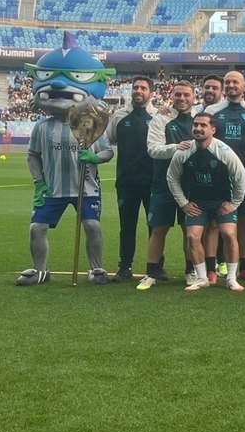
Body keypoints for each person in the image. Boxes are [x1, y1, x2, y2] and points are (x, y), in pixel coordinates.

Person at [20, 103, 113, 286]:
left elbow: (108, 151)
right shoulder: (42, 126)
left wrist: (95, 158)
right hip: (52, 189)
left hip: (87, 188)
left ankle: (96, 269)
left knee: (92, 226)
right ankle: (40, 271)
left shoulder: (90, 122)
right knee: (36, 228)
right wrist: (38, 182)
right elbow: (33, 155)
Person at [166, 113, 245, 293]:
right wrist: (184, 203)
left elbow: (241, 177)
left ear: (213, 130)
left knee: (228, 233)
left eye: (203, 125)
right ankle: (202, 278)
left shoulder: (224, 151)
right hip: (198, 203)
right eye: (195, 125)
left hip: (221, 202)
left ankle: (231, 278)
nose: (198, 128)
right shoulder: (184, 150)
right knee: (192, 236)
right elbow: (172, 178)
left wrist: (233, 204)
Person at [138, 81, 197, 289]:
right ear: (172, 96)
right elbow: (153, 149)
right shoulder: (161, 118)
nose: (182, 99)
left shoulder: (199, 118)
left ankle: (190, 271)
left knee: (188, 229)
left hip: (190, 185)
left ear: (193, 97)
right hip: (162, 183)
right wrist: (176, 148)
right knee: (158, 229)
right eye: (178, 95)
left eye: (186, 95)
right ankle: (151, 273)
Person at [205, 70, 245, 283]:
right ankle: (212, 269)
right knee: (213, 222)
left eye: (235, 82)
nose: (230, 85)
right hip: (217, 176)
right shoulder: (212, 110)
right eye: (227, 82)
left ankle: (244, 268)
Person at [107, 75, 155, 282]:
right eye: (136, 87)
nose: (139, 91)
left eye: (143, 88)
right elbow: (107, 141)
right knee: (127, 226)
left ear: (150, 93)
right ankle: (124, 266)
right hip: (126, 182)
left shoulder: (158, 116)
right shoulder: (119, 117)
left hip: (153, 182)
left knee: (155, 226)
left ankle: (155, 267)